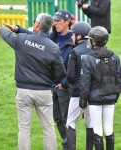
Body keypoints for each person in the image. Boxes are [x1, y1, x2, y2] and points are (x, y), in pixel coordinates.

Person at [0, 13, 66, 150]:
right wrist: (48, 80)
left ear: (37, 24)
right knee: (48, 127)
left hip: (23, 91)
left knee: (24, 128)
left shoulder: (21, 39)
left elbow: (4, 32)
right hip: (44, 92)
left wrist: (3, 28)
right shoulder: (53, 47)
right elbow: (60, 74)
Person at [79, 26, 121, 150]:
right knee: (109, 128)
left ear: (94, 41)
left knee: (97, 129)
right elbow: (119, 81)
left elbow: (85, 84)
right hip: (110, 98)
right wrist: (115, 97)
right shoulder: (115, 57)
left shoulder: (87, 58)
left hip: (94, 100)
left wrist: (82, 104)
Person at [66, 21, 93, 150]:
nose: (71, 37)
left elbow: (70, 76)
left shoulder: (74, 52)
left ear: (80, 36)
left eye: (73, 34)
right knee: (90, 124)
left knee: (70, 123)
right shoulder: (94, 50)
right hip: (92, 93)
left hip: (77, 93)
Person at [50, 9, 75, 150]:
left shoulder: (74, 40)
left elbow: (75, 68)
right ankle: (66, 144)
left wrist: (64, 84)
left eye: (58, 21)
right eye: (55, 21)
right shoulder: (53, 36)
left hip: (65, 88)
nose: (56, 23)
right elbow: (35, 37)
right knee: (58, 119)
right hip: (52, 86)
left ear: (67, 22)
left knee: (67, 120)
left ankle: (69, 147)